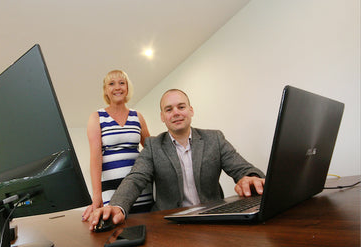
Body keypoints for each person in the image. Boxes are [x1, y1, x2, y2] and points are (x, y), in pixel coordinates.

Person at [88, 89, 266, 230]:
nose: (176, 113)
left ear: (191, 110)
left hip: (213, 220)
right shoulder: (153, 146)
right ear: (162, 117)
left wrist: (250, 177)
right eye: (169, 109)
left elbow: (242, 168)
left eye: (181, 107)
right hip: (170, 225)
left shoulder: (215, 139)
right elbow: (135, 179)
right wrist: (117, 206)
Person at [81, 70, 154, 221]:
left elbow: (152, 149)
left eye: (122, 83)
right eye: (111, 84)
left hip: (141, 189)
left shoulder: (137, 116)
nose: (117, 87)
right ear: (106, 90)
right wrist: (96, 196)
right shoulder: (97, 117)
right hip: (111, 192)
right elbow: (95, 157)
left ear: (127, 88)